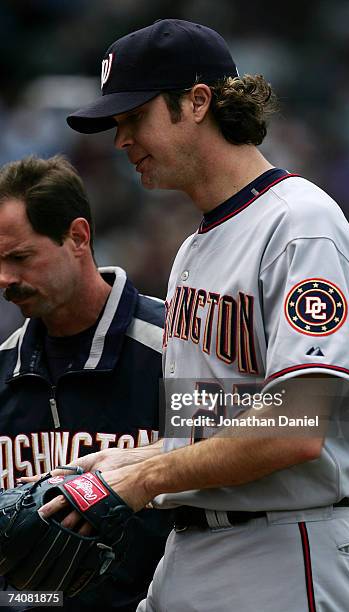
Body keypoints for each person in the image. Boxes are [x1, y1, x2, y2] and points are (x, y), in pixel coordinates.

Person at [42, 19, 349, 611]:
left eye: (134, 117)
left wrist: (146, 479)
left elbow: (298, 428)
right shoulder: (193, 250)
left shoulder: (300, 223)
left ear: (197, 102)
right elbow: (213, 421)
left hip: (284, 543)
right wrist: (136, 458)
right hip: (195, 545)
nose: (121, 139)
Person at [0, 155, 172, 611]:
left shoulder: (174, 349)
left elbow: (302, 424)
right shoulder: (3, 369)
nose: (4, 279)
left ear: (78, 237)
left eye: (20, 257)